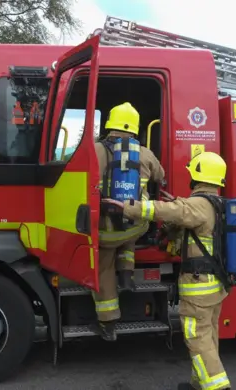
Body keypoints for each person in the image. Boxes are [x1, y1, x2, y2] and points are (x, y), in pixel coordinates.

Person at [102, 151, 232, 390]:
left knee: (197, 339)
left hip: (198, 289)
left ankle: (218, 387)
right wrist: (178, 204)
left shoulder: (198, 206)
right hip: (215, 288)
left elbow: (167, 211)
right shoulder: (219, 204)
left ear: (197, 177)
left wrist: (128, 208)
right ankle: (198, 383)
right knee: (209, 337)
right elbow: (184, 216)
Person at [94, 102, 165, 341]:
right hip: (135, 227)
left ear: (109, 124)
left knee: (103, 266)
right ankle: (126, 274)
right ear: (134, 128)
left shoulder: (94, 150)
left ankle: (109, 321)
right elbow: (161, 175)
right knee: (131, 224)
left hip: (103, 231)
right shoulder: (143, 153)